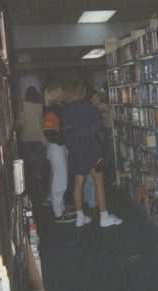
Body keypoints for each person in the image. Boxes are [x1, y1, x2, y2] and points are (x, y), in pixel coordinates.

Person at [62, 79, 122, 227]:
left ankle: (80, 217)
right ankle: (104, 217)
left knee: (78, 183)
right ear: (79, 91)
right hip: (90, 148)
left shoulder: (65, 110)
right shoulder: (87, 107)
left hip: (75, 150)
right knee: (99, 181)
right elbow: (99, 125)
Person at [43, 83, 75, 223]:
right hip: (56, 147)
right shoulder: (52, 111)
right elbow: (49, 133)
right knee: (59, 180)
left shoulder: (58, 109)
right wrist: (64, 137)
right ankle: (58, 213)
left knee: (61, 178)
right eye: (62, 90)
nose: (64, 92)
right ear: (55, 93)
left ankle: (61, 208)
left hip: (59, 147)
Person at [16, 86, 45, 179]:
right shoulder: (39, 105)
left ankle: (28, 174)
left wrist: (18, 130)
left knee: (27, 155)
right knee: (39, 155)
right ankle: (39, 174)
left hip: (26, 134)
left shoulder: (22, 104)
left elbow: (21, 120)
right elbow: (41, 120)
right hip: (38, 134)